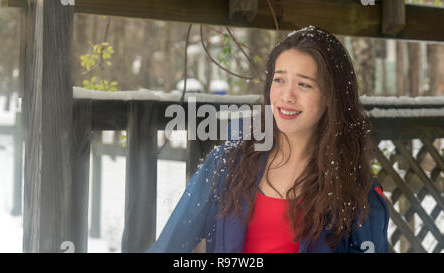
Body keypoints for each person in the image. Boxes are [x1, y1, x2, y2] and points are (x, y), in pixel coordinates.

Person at [146, 25, 389, 253]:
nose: (287, 95)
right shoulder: (227, 165)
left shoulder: (355, 189)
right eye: (279, 80)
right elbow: (169, 246)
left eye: (304, 85)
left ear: (331, 97)